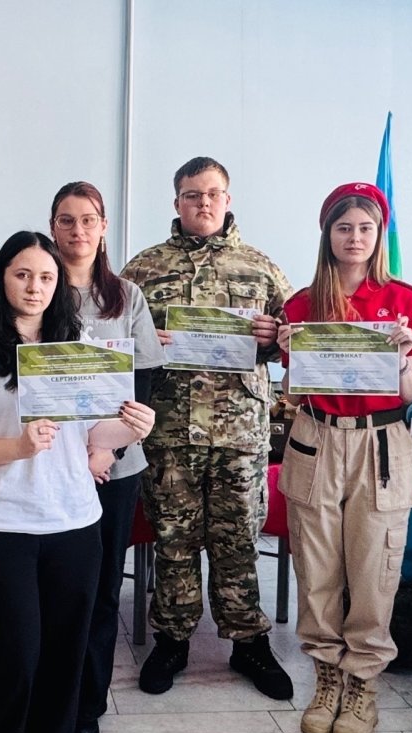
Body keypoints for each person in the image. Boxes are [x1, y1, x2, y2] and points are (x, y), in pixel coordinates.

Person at [0, 231, 154, 733]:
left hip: (74, 520)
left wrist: (133, 427)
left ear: (59, 286)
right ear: (2, 278)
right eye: (23, 274)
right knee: (14, 651)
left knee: (63, 649)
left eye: (47, 277)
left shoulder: (78, 346)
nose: (35, 287)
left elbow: (94, 433)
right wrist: (17, 448)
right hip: (0, 523)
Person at [120, 156, 295, 700]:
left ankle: (248, 641)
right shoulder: (143, 269)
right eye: (192, 194)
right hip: (169, 430)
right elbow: (115, 343)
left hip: (239, 432)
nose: (203, 203)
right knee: (173, 541)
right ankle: (172, 640)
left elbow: (296, 345)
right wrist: (145, 345)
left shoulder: (261, 269)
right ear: (177, 201)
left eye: (213, 193)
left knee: (238, 539)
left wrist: (273, 339)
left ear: (228, 199)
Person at [277, 183, 412, 733]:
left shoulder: (404, 300)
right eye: (344, 228)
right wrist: (292, 350)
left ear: (379, 235)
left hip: (381, 442)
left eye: (366, 228)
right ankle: (325, 677)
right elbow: (294, 393)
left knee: (375, 568)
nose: (355, 238)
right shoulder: (301, 305)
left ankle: (362, 682)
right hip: (316, 438)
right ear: (328, 235)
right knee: (316, 566)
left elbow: (411, 393)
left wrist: (403, 355)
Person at [48, 181, 164, 733]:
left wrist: (106, 447)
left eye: (88, 219)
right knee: (55, 588)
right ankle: (50, 697)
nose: (78, 230)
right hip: (50, 463)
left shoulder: (127, 296)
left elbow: (145, 380)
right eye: (66, 220)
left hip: (114, 466)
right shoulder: (38, 287)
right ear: (53, 227)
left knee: (99, 589)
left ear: (103, 227)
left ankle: (87, 702)